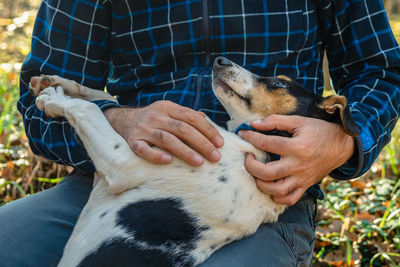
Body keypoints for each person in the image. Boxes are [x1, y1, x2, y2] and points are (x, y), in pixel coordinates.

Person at [1, 0, 399, 266]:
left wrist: (345, 138)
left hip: (258, 206)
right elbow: (40, 102)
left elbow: (382, 72)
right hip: (111, 182)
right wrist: (118, 118)